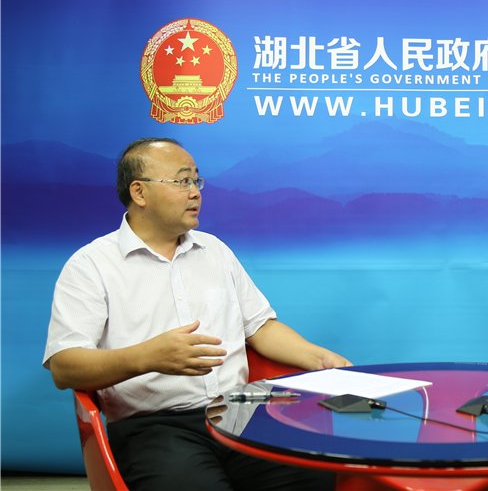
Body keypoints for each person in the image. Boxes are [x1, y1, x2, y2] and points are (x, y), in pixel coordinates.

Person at [43, 137, 351, 491]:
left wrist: (321, 358)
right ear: (139, 192)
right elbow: (65, 367)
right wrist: (148, 357)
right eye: (182, 181)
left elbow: (260, 329)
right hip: (154, 428)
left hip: (240, 414)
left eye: (196, 180)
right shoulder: (91, 265)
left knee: (317, 476)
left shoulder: (215, 251)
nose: (195, 193)